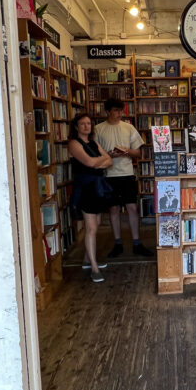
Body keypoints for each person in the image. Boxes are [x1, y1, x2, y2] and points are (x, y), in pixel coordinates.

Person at [94, 98, 153, 258]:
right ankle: (118, 243)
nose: (120, 114)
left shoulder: (129, 128)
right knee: (113, 209)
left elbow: (138, 153)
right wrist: (108, 155)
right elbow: (94, 154)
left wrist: (126, 151)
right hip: (108, 175)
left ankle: (137, 242)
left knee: (132, 208)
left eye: (121, 111)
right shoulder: (98, 129)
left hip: (127, 174)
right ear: (107, 111)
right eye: (116, 111)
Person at [68, 113, 113, 283]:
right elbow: (89, 163)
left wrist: (100, 161)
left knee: (96, 224)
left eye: (89, 123)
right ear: (76, 127)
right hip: (86, 188)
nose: (86, 126)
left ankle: (88, 260)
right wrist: (101, 160)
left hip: (97, 187)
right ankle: (94, 267)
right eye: (82, 123)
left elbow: (110, 161)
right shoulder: (74, 144)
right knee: (91, 227)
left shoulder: (93, 142)